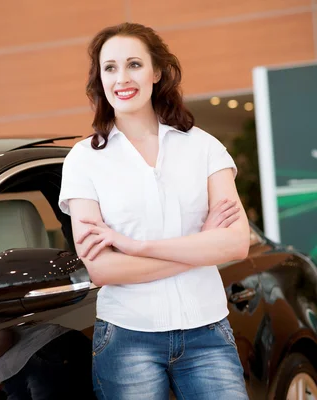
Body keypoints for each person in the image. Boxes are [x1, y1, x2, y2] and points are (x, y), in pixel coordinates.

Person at [58, 22, 250, 399]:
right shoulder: (83, 160)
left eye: (134, 64)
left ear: (156, 72)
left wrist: (135, 246)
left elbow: (236, 243)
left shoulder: (202, 147)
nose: (121, 78)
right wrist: (199, 247)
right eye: (109, 67)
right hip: (128, 338)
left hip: (208, 331)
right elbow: (102, 268)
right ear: (99, 77)